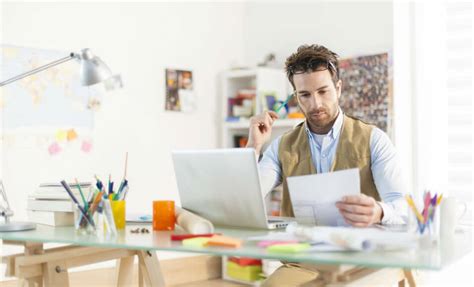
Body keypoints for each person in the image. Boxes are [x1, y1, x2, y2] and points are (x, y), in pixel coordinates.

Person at [246, 44, 407, 286]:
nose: (315, 104)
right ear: (296, 96)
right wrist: (253, 147)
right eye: (305, 95)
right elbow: (247, 198)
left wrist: (379, 211)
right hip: (304, 261)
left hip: (362, 260)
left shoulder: (374, 139)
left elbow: (402, 206)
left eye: (323, 91)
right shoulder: (283, 146)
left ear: (338, 88)